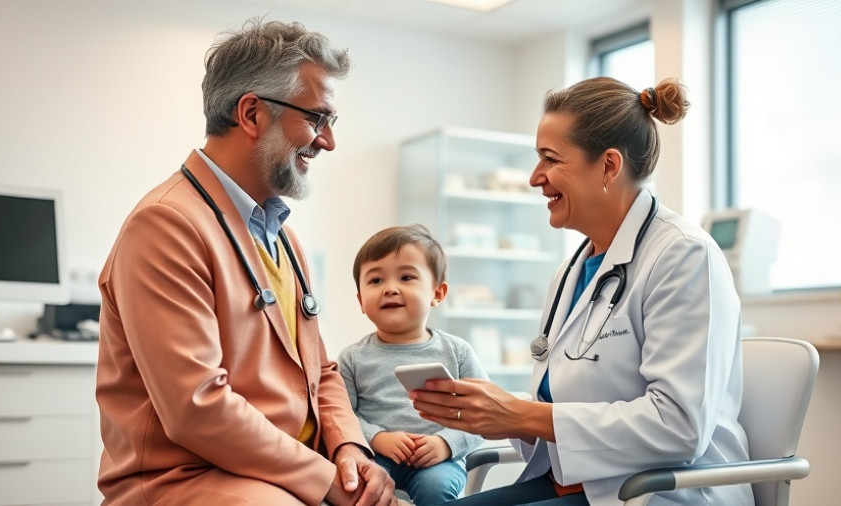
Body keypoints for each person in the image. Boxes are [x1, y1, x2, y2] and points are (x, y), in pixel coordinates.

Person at [409, 77, 755, 506]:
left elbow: (678, 426)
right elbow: (565, 405)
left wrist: (521, 414)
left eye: (550, 159)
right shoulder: (574, 272)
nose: (536, 177)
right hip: (585, 483)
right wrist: (494, 414)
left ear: (609, 165)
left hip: (661, 491)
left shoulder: (685, 257)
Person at [95, 18, 397, 506]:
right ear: (252, 113)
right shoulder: (165, 225)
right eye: (317, 118)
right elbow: (197, 408)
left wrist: (348, 449)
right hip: (189, 479)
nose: (328, 141)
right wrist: (324, 481)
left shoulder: (283, 237)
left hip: (286, 470)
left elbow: (319, 371)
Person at [338, 225, 489, 505]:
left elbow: (483, 416)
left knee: (435, 489)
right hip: (375, 457)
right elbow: (343, 417)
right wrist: (378, 438)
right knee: (353, 489)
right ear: (360, 301)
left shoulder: (457, 352)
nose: (390, 289)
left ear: (437, 293)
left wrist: (445, 444)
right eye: (375, 281)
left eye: (406, 277)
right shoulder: (352, 358)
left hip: (438, 463)